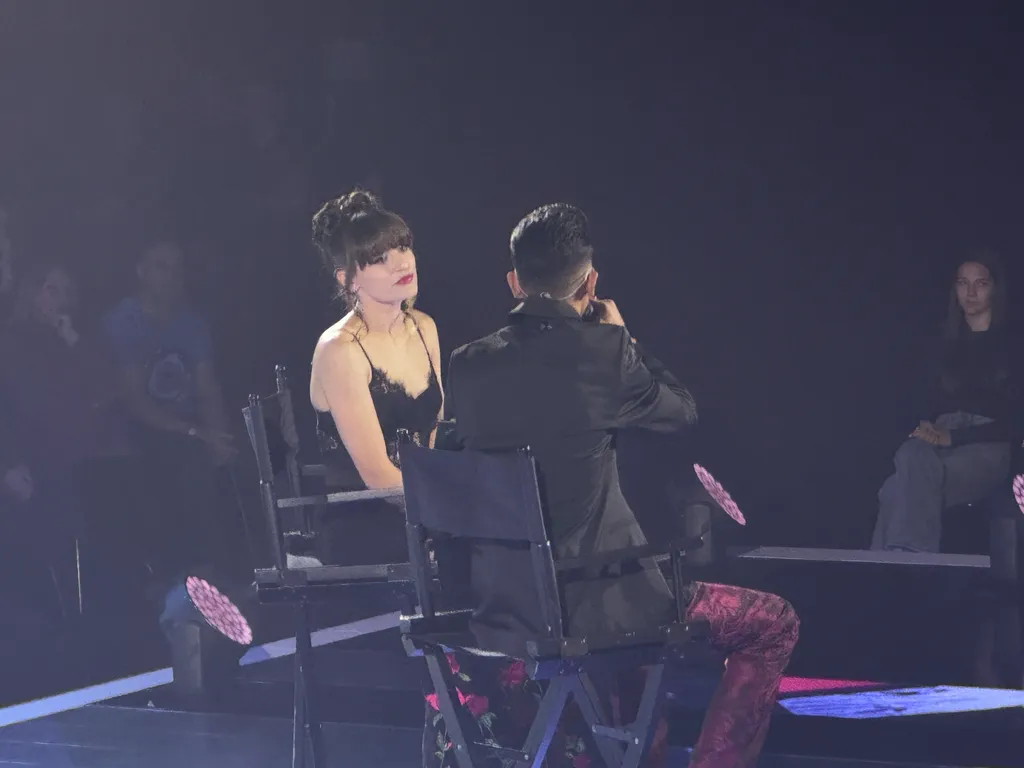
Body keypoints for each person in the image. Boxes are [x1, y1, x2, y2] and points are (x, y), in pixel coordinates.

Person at [434, 204, 799, 768]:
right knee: (772, 623)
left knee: (632, 610)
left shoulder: (466, 364)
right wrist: (621, 336)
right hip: (601, 608)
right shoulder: (602, 355)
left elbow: (451, 459)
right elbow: (681, 412)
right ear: (590, 284)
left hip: (505, 605)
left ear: (514, 282)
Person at [308, 189, 442, 567]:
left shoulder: (424, 327)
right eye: (380, 259)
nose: (401, 264)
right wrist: (445, 514)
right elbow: (378, 475)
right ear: (349, 280)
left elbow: (436, 432)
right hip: (364, 519)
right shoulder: (339, 350)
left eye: (402, 247)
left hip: (426, 507)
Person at [0, 263, 140, 617]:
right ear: (33, 292)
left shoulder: (76, 337)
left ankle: (114, 598)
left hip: (87, 449)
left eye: (67, 291)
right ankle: (63, 609)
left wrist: (73, 341)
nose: (60, 299)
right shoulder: (12, 340)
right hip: (36, 450)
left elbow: (109, 388)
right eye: (51, 289)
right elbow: (26, 403)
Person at [103, 242, 235, 579]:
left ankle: (233, 571)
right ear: (141, 271)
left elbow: (207, 387)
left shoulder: (192, 322)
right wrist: (195, 433)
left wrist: (219, 436)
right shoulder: (124, 320)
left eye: (177, 268)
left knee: (236, 457)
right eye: (161, 266)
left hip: (189, 425)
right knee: (179, 462)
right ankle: (177, 575)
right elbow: (133, 399)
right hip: (136, 426)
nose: (171, 276)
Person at [872, 253, 1013, 552]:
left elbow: (1015, 423)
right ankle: (900, 560)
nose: (970, 292)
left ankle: (906, 559)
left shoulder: (1013, 345)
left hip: (986, 445)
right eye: (963, 283)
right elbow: (923, 402)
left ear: (994, 289)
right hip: (940, 438)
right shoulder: (943, 343)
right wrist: (925, 427)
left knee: (894, 491)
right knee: (910, 452)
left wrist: (955, 437)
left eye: (980, 284)